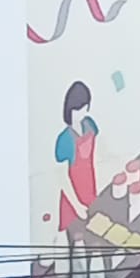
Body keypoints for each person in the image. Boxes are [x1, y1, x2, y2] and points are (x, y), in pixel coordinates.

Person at [56, 81, 99, 233]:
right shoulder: (65, 139)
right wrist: (76, 205)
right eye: (77, 110)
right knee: (77, 237)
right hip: (72, 195)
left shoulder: (90, 125)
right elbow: (61, 177)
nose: (81, 113)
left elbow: (96, 158)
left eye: (84, 108)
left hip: (90, 188)